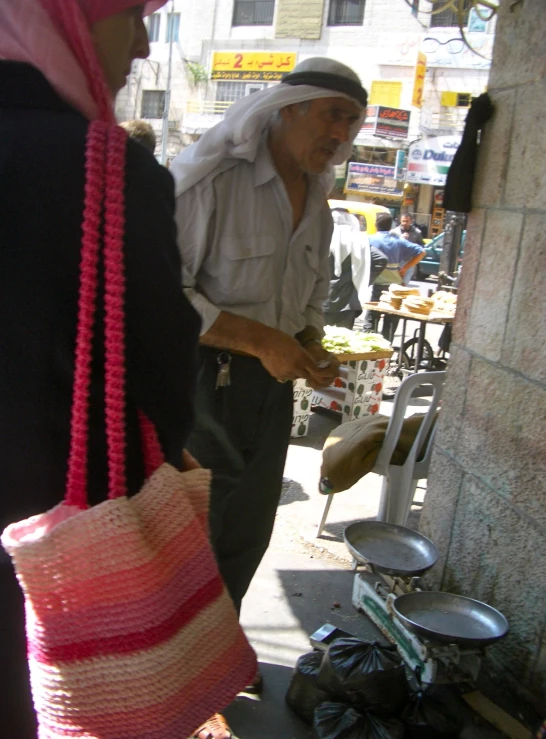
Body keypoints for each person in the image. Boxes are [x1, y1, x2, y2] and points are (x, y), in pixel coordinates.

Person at [0, 1, 201, 736]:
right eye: (129, 15)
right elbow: (159, 380)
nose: (142, 44)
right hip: (50, 567)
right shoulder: (106, 171)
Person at [171, 56, 367, 738]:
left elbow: (306, 303)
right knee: (195, 533)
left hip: (269, 390)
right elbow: (167, 291)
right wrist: (259, 338)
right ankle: (183, 682)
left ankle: (216, 658)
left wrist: (308, 346)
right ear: (289, 108)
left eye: (352, 121)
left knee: (249, 530)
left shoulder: (317, 200)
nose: (342, 132)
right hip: (201, 382)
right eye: (332, 114)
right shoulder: (216, 180)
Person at [364, 212, 426, 342]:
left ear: (376, 225)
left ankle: (369, 351)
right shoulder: (398, 241)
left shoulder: (370, 239)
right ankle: (386, 351)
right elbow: (421, 252)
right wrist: (405, 268)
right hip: (395, 289)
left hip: (378, 286)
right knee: (391, 323)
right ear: (391, 226)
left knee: (371, 322)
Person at [323, 208, 387, 329]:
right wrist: (361, 279)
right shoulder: (358, 241)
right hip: (348, 302)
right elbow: (381, 259)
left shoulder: (323, 238)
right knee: (342, 343)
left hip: (322, 299)